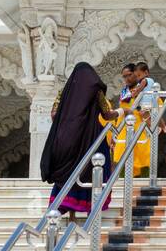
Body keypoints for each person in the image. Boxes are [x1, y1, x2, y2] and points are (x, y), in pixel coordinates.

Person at [39, 62, 120, 222]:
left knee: (70, 173)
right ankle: (92, 209)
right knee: (94, 171)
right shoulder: (95, 91)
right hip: (92, 139)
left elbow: (54, 114)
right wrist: (123, 112)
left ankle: (68, 210)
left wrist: (69, 122)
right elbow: (107, 114)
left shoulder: (65, 92)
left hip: (67, 139)